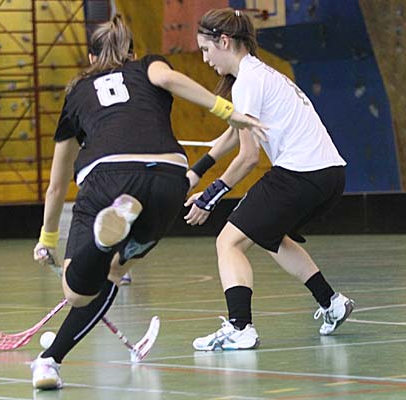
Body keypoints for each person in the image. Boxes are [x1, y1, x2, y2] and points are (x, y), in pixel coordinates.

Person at [30, 15, 266, 390]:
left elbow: (57, 186)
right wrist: (227, 111)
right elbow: (169, 80)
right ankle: (49, 361)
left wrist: (46, 238)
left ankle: (102, 242)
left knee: (76, 291)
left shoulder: (78, 92)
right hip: (169, 181)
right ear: (132, 53)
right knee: (113, 272)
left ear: (91, 59)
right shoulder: (148, 65)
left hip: (108, 177)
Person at [184, 8, 354, 351]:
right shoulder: (259, 74)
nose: (205, 59)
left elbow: (249, 157)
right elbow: (235, 133)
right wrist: (197, 171)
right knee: (270, 235)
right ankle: (331, 302)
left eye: (206, 49)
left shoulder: (248, 81)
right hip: (330, 175)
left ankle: (240, 328)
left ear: (224, 41)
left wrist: (210, 196)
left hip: (300, 173)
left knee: (228, 242)